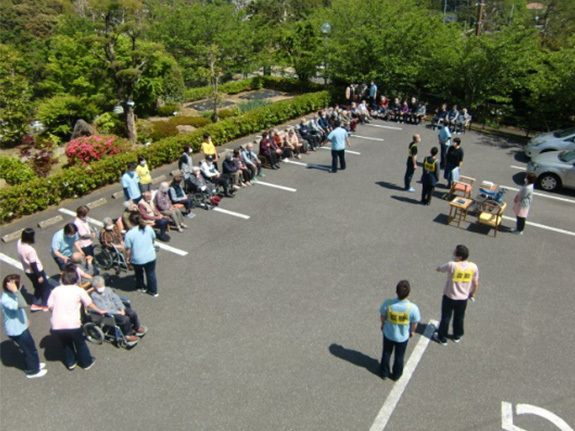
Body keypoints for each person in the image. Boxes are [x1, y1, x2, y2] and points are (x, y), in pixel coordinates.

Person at [48, 267, 107, 370]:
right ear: (75, 279)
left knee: (66, 344)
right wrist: (100, 311)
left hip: (57, 325)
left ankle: (71, 363)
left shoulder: (56, 290)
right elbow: (89, 303)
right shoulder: (78, 290)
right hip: (73, 324)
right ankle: (86, 363)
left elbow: (50, 306)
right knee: (80, 344)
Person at [1, 274, 48, 378]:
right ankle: (32, 371)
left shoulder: (11, 294)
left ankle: (34, 364)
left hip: (21, 327)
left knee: (30, 347)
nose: (22, 284)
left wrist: (25, 320)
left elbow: (20, 309)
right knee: (29, 349)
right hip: (17, 331)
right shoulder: (6, 300)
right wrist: (16, 291)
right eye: (20, 283)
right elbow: (22, 304)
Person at [433, 245, 479, 345]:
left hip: (450, 296)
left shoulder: (452, 265)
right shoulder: (473, 267)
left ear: (459, 257)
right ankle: (457, 335)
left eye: (455, 253)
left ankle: (442, 337)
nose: (453, 254)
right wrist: (472, 293)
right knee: (459, 317)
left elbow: (440, 268)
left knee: (446, 317)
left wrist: (438, 268)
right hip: (463, 298)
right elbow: (475, 283)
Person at [379, 280, 420, 381]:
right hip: (402, 337)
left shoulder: (388, 303)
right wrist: (412, 331)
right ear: (408, 293)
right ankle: (396, 375)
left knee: (386, 353)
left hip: (389, 334)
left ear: (396, 292)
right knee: (399, 356)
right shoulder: (412, 308)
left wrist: (383, 324)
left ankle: (384, 372)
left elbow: (382, 316)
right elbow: (415, 322)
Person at [89, 276, 148, 343]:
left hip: (117, 308)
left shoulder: (108, 289)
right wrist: (118, 312)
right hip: (109, 313)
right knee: (125, 319)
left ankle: (137, 327)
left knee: (132, 312)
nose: (101, 288)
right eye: (99, 287)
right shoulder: (94, 296)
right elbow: (104, 309)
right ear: (95, 287)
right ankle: (128, 335)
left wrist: (122, 308)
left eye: (102, 285)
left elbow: (116, 299)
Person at [17, 228, 51, 312]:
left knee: (37, 287)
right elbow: (33, 264)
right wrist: (39, 275)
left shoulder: (19, 242)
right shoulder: (30, 250)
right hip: (36, 271)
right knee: (45, 287)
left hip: (27, 271)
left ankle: (36, 303)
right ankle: (45, 304)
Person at [125, 214, 159, 297]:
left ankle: (141, 287)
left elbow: (128, 249)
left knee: (139, 273)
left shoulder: (129, 234)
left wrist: (127, 258)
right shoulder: (148, 228)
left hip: (137, 259)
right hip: (151, 256)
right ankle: (153, 291)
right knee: (151, 274)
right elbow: (153, 238)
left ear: (131, 222)